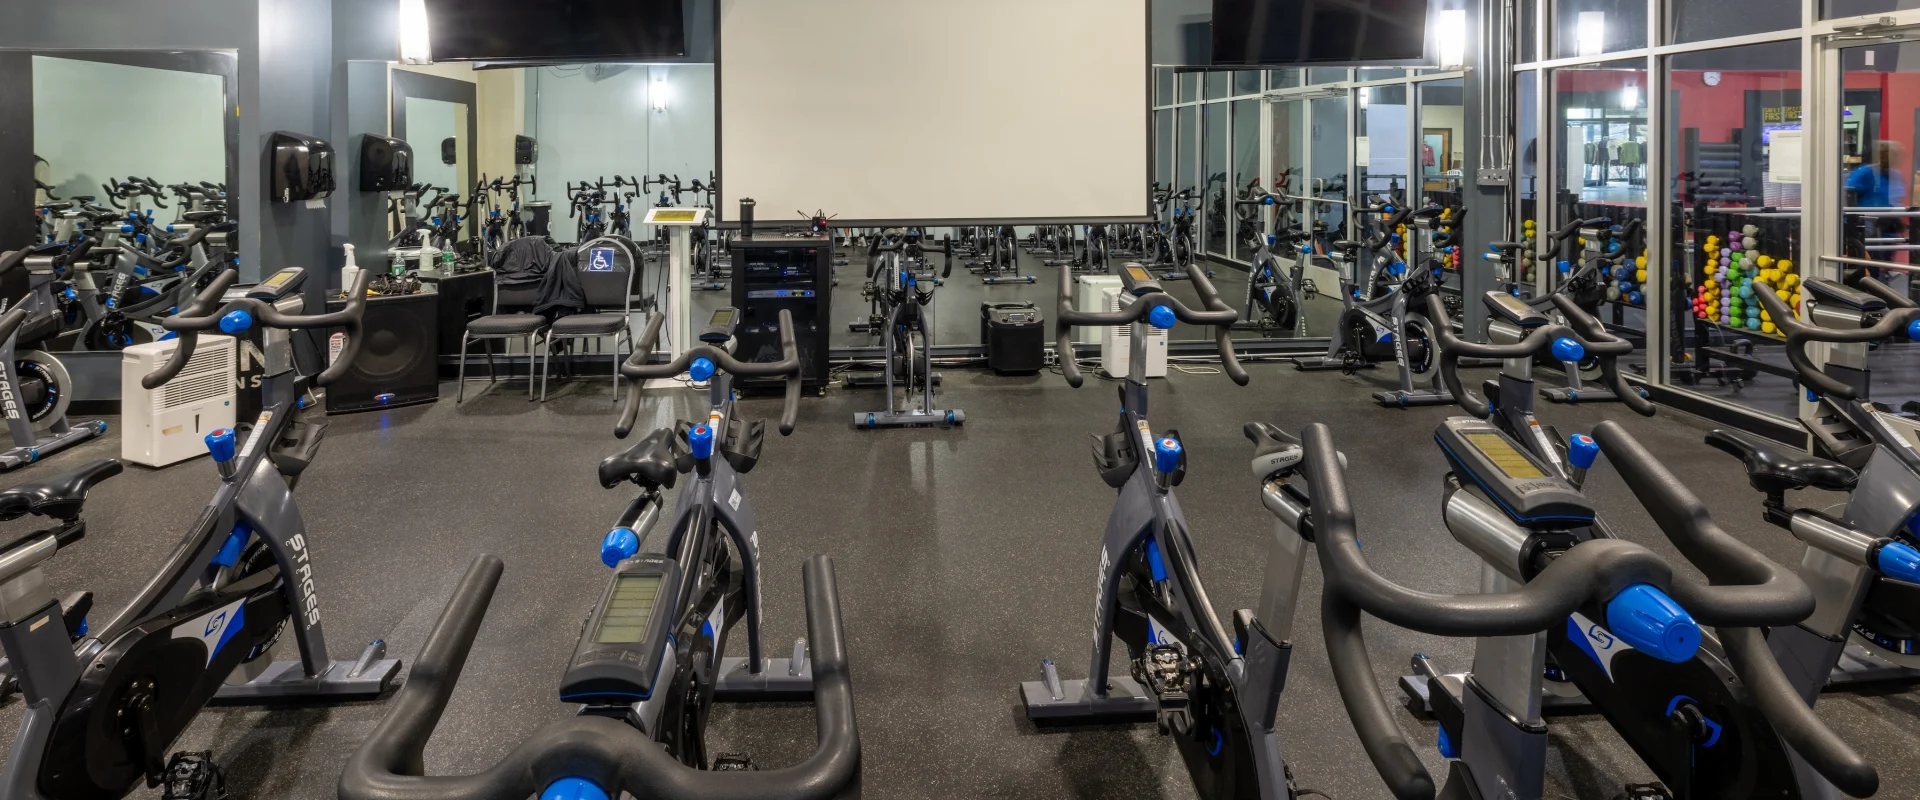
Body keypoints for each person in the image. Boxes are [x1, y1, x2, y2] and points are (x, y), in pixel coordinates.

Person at [1846, 141, 1908, 266]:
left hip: (1889, 228)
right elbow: (1849, 197)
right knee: (1870, 264)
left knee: (1886, 263)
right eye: (1892, 155)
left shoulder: (1896, 175)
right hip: (1869, 228)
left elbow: (1896, 200)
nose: (1896, 158)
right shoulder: (1864, 173)